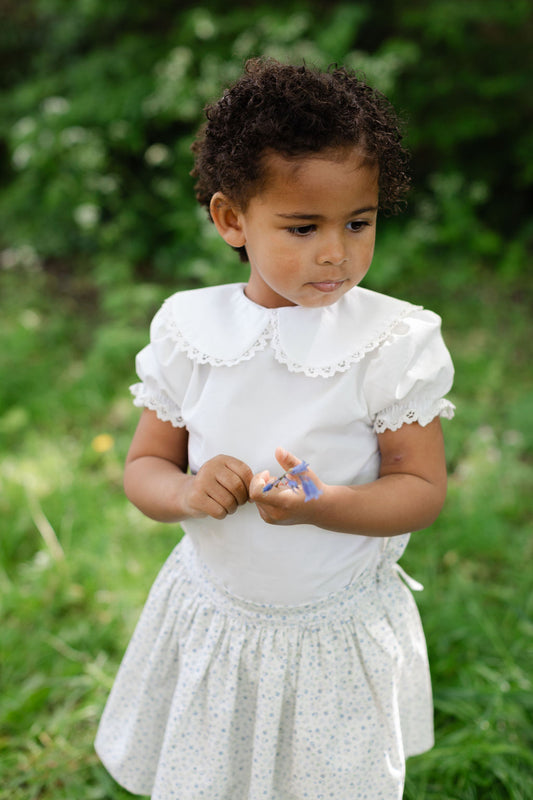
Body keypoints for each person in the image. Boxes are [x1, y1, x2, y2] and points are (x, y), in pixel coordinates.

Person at [95, 58, 454, 799]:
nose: (335, 251)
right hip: (217, 615)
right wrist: (190, 492)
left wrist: (323, 503)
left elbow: (418, 489)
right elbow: (143, 469)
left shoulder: (391, 342)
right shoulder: (190, 329)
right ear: (231, 219)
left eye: (359, 222)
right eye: (302, 226)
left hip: (327, 627)